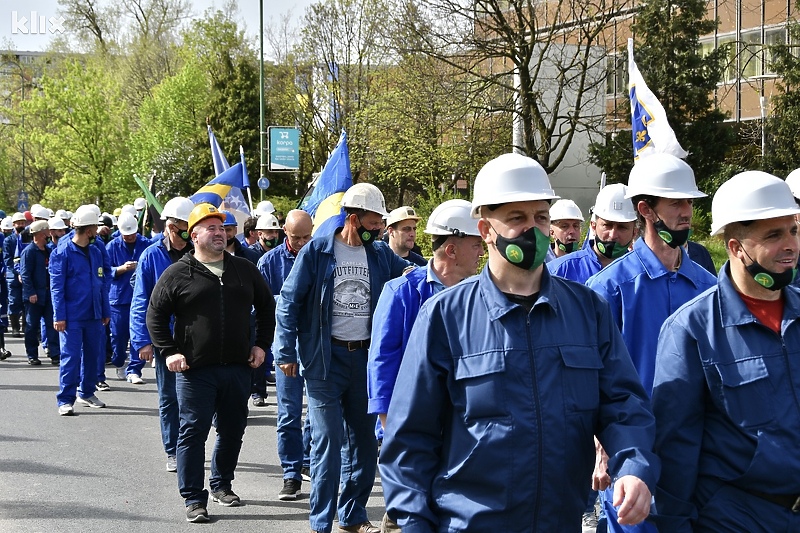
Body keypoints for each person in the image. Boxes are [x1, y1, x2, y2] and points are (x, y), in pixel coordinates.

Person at [380, 153, 658, 532]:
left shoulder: (587, 311)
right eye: (517, 218)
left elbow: (624, 405)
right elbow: (409, 441)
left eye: (541, 217)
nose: (534, 230)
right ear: (485, 229)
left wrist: (635, 468)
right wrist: (414, 525)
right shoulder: (445, 317)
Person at [652, 171, 800, 532]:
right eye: (774, 235)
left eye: (793, 231)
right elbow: (675, 449)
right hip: (737, 517)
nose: (791, 245)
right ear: (736, 247)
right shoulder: (692, 329)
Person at [586, 153, 716, 531]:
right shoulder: (608, 289)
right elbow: (593, 379)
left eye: (690, 202)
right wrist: (599, 450)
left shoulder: (709, 288)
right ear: (646, 209)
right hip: (633, 457)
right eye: (676, 202)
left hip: (697, 455)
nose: (687, 211)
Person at [275, 182, 411, 533]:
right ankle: (321, 522)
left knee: (364, 447)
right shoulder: (318, 251)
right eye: (374, 220)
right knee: (327, 444)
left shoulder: (381, 255)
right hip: (324, 360)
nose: (379, 227)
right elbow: (289, 302)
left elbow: (411, 275)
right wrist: (285, 350)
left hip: (364, 361)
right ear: (353, 218)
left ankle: (351, 516)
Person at [147, 203, 275, 523]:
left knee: (232, 429)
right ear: (194, 236)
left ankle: (221, 484)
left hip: (237, 367)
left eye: (222, 228)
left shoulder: (244, 269)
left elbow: (267, 308)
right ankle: (193, 498)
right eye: (211, 228)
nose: (220, 233)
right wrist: (169, 351)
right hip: (195, 371)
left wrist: (261, 345)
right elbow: (155, 316)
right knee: (193, 432)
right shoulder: (177, 272)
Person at [368, 199, 484, 532]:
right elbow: (382, 361)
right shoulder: (403, 292)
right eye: (476, 244)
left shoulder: (479, 294)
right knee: (407, 516)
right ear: (451, 249)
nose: (481, 252)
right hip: (412, 430)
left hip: (462, 428)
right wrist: (391, 427)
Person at [130, 196, 195, 469]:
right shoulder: (152, 255)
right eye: (183, 224)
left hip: (195, 335)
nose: (187, 229)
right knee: (169, 396)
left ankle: (190, 446)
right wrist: (142, 341)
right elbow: (141, 299)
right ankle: (173, 450)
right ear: (170, 225)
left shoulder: (198, 251)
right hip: (165, 338)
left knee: (193, 397)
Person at [257, 209, 314, 501]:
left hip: (316, 347)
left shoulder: (320, 255)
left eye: (307, 236)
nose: (302, 243)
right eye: (296, 237)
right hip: (285, 348)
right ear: (283, 234)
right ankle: (290, 474)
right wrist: (288, 300)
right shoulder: (269, 262)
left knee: (316, 413)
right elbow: (259, 306)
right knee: (288, 413)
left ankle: (306, 460)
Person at [51, 205, 111, 416]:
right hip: (72, 316)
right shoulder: (63, 252)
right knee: (71, 357)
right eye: (95, 227)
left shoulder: (95, 250)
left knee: (93, 356)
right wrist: (59, 316)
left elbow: (102, 281)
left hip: (94, 314)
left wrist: (105, 310)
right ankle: (65, 400)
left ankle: (86, 392)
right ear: (88, 230)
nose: (97, 231)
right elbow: (56, 286)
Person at [548, 184, 637, 284]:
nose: (613, 235)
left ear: (634, 232)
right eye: (607, 225)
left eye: (622, 227)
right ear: (593, 227)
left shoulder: (642, 273)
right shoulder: (558, 271)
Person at [106, 212, 150, 381]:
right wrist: (120, 269)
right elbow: (104, 270)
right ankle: (119, 362)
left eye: (132, 233)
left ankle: (134, 370)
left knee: (138, 335)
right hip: (119, 299)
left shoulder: (146, 244)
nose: (130, 237)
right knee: (118, 336)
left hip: (140, 297)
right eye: (126, 234)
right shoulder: (112, 246)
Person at [20, 220, 59, 366]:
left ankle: (55, 353)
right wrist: (31, 292)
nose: (49, 234)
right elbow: (25, 274)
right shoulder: (29, 252)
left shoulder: (49, 251)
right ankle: (32, 354)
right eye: (47, 232)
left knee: (52, 325)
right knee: (32, 326)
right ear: (41, 233)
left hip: (49, 295)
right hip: (34, 296)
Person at [5, 211, 30, 337]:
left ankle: (26, 326)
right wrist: (16, 272)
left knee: (26, 301)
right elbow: (8, 259)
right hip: (12, 275)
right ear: (13, 225)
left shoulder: (28, 237)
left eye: (22, 223)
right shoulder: (8, 240)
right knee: (14, 301)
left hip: (26, 274)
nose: (21, 225)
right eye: (18, 223)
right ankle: (15, 327)